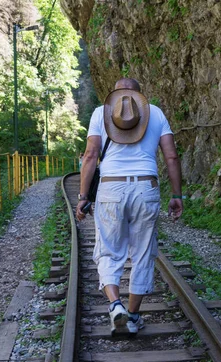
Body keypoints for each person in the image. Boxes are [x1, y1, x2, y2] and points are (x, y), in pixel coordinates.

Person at [76, 78, 183, 335]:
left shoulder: (100, 114)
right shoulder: (155, 114)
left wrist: (82, 197)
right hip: (146, 188)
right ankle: (133, 317)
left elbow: (90, 156)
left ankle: (115, 305)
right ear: (140, 98)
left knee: (109, 251)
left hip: (111, 188)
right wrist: (177, 194)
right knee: (144, 252)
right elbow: (171, 156)